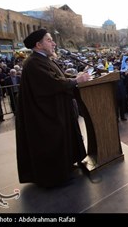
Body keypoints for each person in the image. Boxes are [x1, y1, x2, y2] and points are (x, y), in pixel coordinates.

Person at [15, 28, 91, 188]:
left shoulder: (43, 59)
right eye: (49, 40)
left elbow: (59, 77)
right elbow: (53, 83)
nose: (54, 43)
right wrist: (77, 81)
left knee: (62, 139)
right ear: (38, 45)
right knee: (52, 142)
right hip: (45, 116)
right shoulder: (34, 63)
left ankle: (65, 168)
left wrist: (76, 77)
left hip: (56, 111)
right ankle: (55, 178)